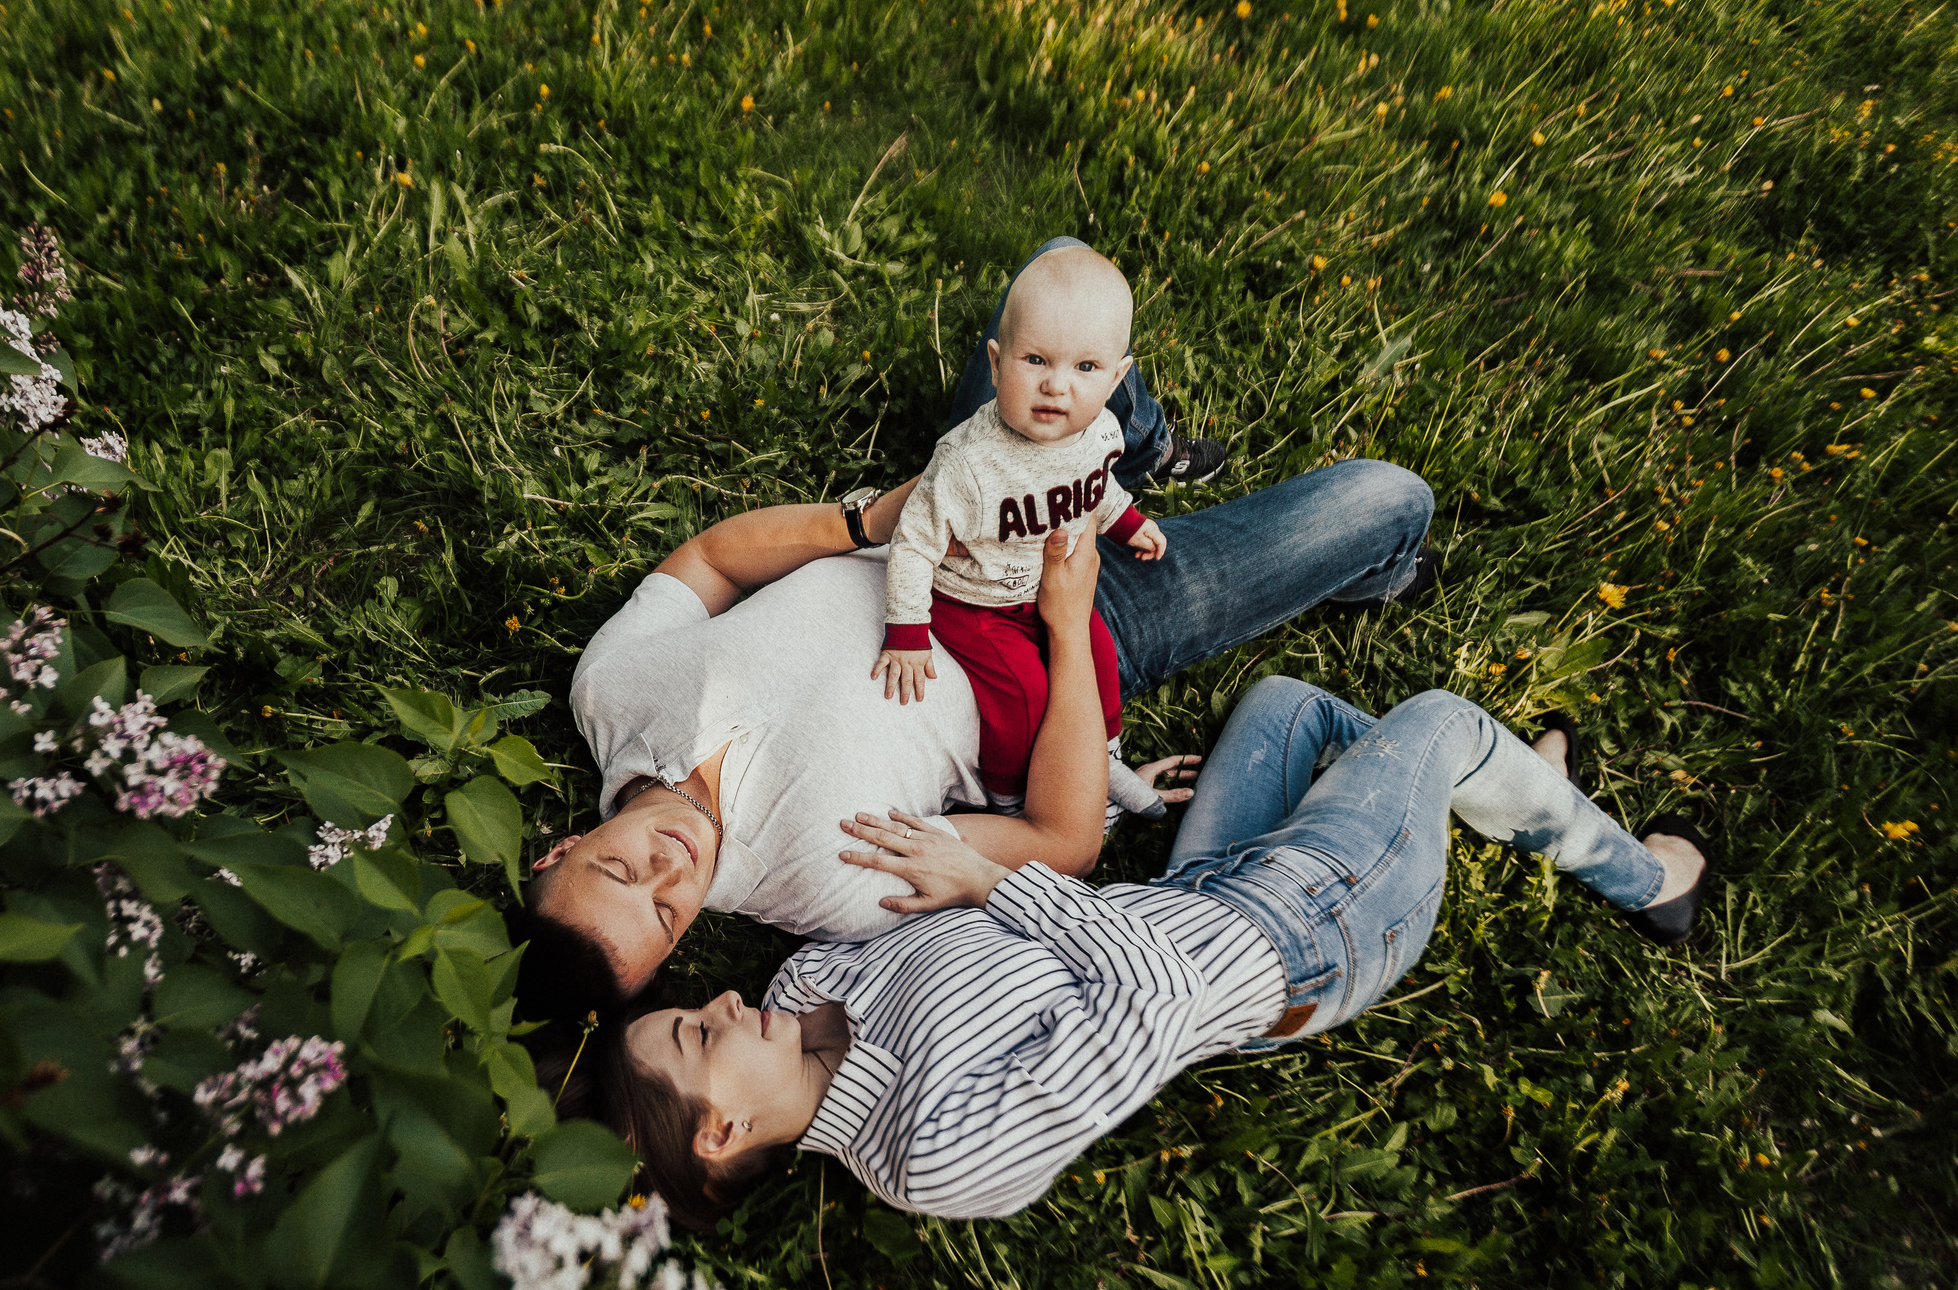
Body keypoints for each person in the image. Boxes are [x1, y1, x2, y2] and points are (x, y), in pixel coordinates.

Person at [563, 520, 1709, 1228]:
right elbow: (1155, 1001)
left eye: (691, 1013)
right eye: (698, 1038)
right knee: (1438, 718)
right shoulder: (929, 1153)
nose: (715, 999)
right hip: (1292, 940)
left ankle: (1489, 788)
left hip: (1194, 889)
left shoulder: (810, 982)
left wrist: (1107, 787)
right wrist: (991, 885)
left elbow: (983, 827)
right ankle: (1645, 878)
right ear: (720, 1138)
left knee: (1288, 710)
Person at [528, 236, 1440, 1001]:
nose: (667, 868)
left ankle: (1133, 445)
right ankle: (1382, 570)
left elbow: (710, 559)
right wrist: (1072, 619)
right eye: (665, 911)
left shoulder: (610, 694)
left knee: (1055, 276)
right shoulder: (827, 884)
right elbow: (1062, 839)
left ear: (563, 848)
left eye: (617, 870)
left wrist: (869, 520)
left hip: (949, 501)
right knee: (1387, 498)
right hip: (1063, 627)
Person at [877, 247, 1170, 816]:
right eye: (1035, 360)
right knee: (1021, 690)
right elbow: (913, 542)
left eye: (1085, 368)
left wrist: (1127, 521)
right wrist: (907, 630)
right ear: (995, 362)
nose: (1056, 387)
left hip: (1045, 591)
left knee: (1097, 653)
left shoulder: (1100, 432)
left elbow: (1096, 487)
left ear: (1117, 377)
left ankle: (1101, 758)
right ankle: (1009, 794)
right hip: (976, 602)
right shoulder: (967, 463)